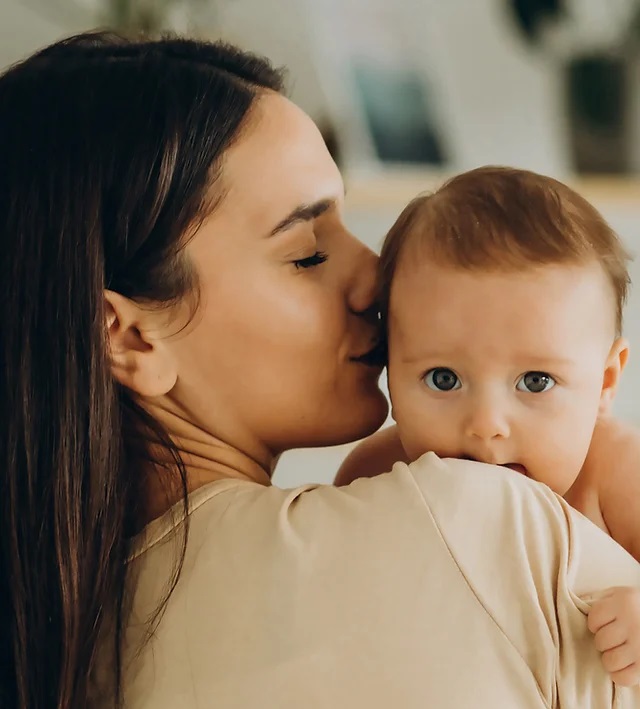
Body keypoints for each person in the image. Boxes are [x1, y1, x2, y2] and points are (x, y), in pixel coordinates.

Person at [1, 31, 640, 709]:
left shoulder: (66, 644)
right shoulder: (476, 519)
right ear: (129, 337)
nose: (375, 276)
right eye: (308, 251)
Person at [335, 166, 640, 685]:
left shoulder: (615, 473)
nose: (486, 425)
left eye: (536, 382)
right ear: (390, 371)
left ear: (605, 382)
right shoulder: (377, 475)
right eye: (444, 378)